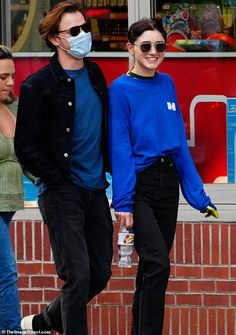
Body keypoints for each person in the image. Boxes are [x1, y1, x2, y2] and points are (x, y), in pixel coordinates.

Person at [108, 18, 219, 335]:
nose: (153, 52)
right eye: (145, 46)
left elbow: (178, 145)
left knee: (150, 269)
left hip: (168, 183)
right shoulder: (120, 90)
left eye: (160, 46)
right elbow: (120, 147)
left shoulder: (167, 83)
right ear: (130, 49)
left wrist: (198, 197)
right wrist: (124, 201)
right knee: (158, 263)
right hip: (140, 186)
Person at [14, 1, 113, 335]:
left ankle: (46, 321)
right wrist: (57, 180)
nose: (84, 34)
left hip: (97, 188)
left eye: (85, 27)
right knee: (78, 274)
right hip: (61, 193)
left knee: (100, 273)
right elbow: (25, 148)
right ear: (55, 39)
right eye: (75, 30)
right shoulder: (37, 86)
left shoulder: (96, 74)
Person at [0, 45, 22, 332]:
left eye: (12, 76)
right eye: (3, 77)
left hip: (8, 205)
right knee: (7, 273)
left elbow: (28, 158)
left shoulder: (14, 107)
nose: (10, 83)